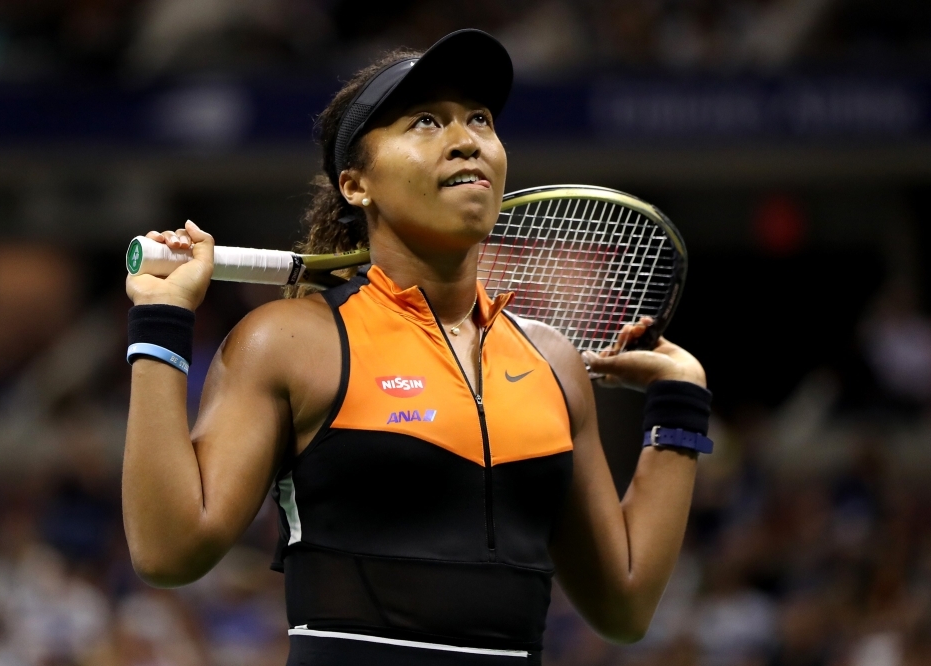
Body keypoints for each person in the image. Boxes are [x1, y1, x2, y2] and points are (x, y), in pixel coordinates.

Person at [122, 30, 711, 666]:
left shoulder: (553, 363)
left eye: (480, 119)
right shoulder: (292, 343)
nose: (467, 139)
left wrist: (680, 407)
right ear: (356, 185)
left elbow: (623, 606)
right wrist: (160, 320)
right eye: (426, 121)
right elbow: (168, 551)